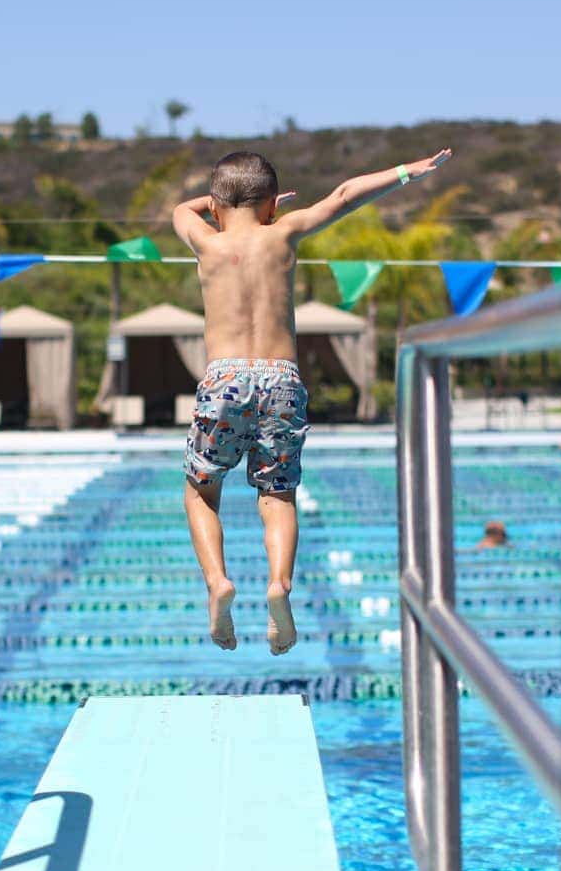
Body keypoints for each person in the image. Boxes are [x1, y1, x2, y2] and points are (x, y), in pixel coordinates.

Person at [174, 147, 453, 654]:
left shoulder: (205, 242)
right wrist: (403, 171)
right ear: (271, 207)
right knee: (278, 495)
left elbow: (180, 211)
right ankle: (279, 584)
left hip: (224, 377)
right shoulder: (284, 232)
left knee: (201, 490)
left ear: (215, 205)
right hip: (281, 378)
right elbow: (345, 195)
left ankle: (218, 582)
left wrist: (219, 203)